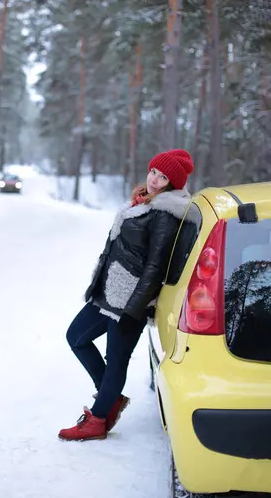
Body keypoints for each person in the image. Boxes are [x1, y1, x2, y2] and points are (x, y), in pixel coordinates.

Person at [59, 149, 194, 441]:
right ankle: (111, 400)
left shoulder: (165, 212)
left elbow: (155, 265)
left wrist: (134, 307)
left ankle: (97, 420)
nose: (156, 180)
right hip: (109, 292)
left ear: (173, 183)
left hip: (131, 299)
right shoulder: (144, 200)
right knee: (76, 337)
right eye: (154, 172)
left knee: (116, 359)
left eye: (164, 177)